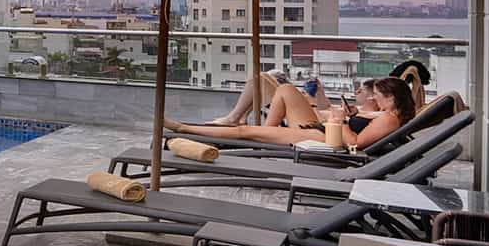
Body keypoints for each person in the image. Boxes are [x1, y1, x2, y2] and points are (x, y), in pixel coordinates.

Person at [168, 75, 411, 151]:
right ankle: (268, 136)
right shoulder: (387, 115)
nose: (372, 98)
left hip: (329, 140)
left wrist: (341, 121)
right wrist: (350, 115)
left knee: (244, 130)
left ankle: (183, 129)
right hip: (323, 130)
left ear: (390, 97)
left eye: (376, 95)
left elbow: (356, 145)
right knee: (284, 89)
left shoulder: (390, 119)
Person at [199, 71, 324, 126]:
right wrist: (319, 91)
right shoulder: (339, 115)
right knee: (262, 76)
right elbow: (326, 107)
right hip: (307, 114)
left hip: (300, 122)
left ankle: (234, 118)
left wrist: (311, 103)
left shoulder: (338, 125)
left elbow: (321, 117)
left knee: (258, 80)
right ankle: (241, 117)